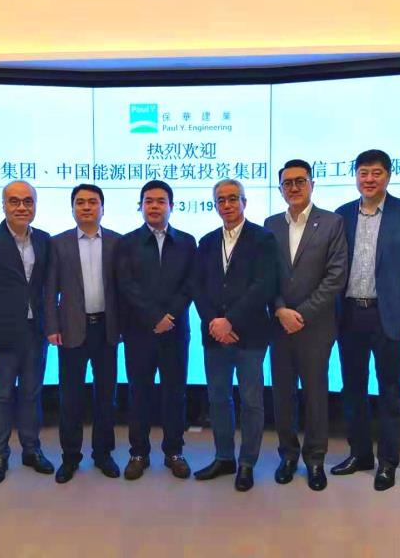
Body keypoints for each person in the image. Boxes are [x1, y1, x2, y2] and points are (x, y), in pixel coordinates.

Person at [333, 149, 400, 491]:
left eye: (376, 173)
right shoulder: (343, 214)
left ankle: (388, 462)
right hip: (349, 315)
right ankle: (359, 454)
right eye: (363, 173)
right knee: (352, 388)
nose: (369, 179)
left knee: (389, 389)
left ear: (388, 175)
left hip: (387, 315)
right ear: (355, 176)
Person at [264, 160, 348, 491]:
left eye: (300, 181)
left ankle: (315, 459)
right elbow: (266, 275)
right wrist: (280, 309)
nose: (294, 187)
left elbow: (336, 276)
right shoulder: (271, 224)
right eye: (287, 183)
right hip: (279, 326)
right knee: (282, 396)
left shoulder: (332, 222)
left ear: (312, 184)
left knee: (315, 396)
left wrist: (302, 314)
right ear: (280, 188)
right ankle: (287, 456)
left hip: (316, 327)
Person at [0, 180, 54, 485]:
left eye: (28, 201)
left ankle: (31, 450)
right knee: (2, 395)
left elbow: (48, 286)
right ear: (3, 205)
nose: (21, 207)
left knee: (31, 394)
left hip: (35, 332)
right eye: (14, 201)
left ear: (35, 206)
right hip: (2, 333)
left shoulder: (44, 240)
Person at [192, 179, 277, 492]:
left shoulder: (263, 238)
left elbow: (264, 286)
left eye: (232, 199)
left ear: (244, 202)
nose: (226, 205)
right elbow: (197, 287)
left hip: (250, 335)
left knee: (251, 401)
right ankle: (224, 457)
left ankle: (247, 463)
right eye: (221, 200)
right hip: (215, 335)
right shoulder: (206, 241)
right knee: (218, 399)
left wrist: (231, 321)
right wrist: (215, 322)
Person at [115, 180, 197, 480]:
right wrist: (153, 317)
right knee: (139, 393)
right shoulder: (127, 243)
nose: (154, 206)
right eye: (148, 201)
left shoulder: (187, 242)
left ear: (171, 206)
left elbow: (191, 284)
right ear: (140, 206)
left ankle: (174, 452)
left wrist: (169, 316)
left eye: (161, 201)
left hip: (175, 331)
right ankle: (138, 453)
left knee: (175, 393)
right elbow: (126, 285)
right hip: (139, 332)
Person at [45, 184, 122, 483]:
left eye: (92, 202)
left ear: (103, 208)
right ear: (73, 208)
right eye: (80, 202)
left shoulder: (117, 242)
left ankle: (103, 454)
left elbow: (123, 289)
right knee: (70, 398)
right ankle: (70, 457)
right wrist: (52, 326)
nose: (87, 207)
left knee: (106, 396)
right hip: (71, 329)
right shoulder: (58, 243)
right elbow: (49, 290)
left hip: (107, 329)